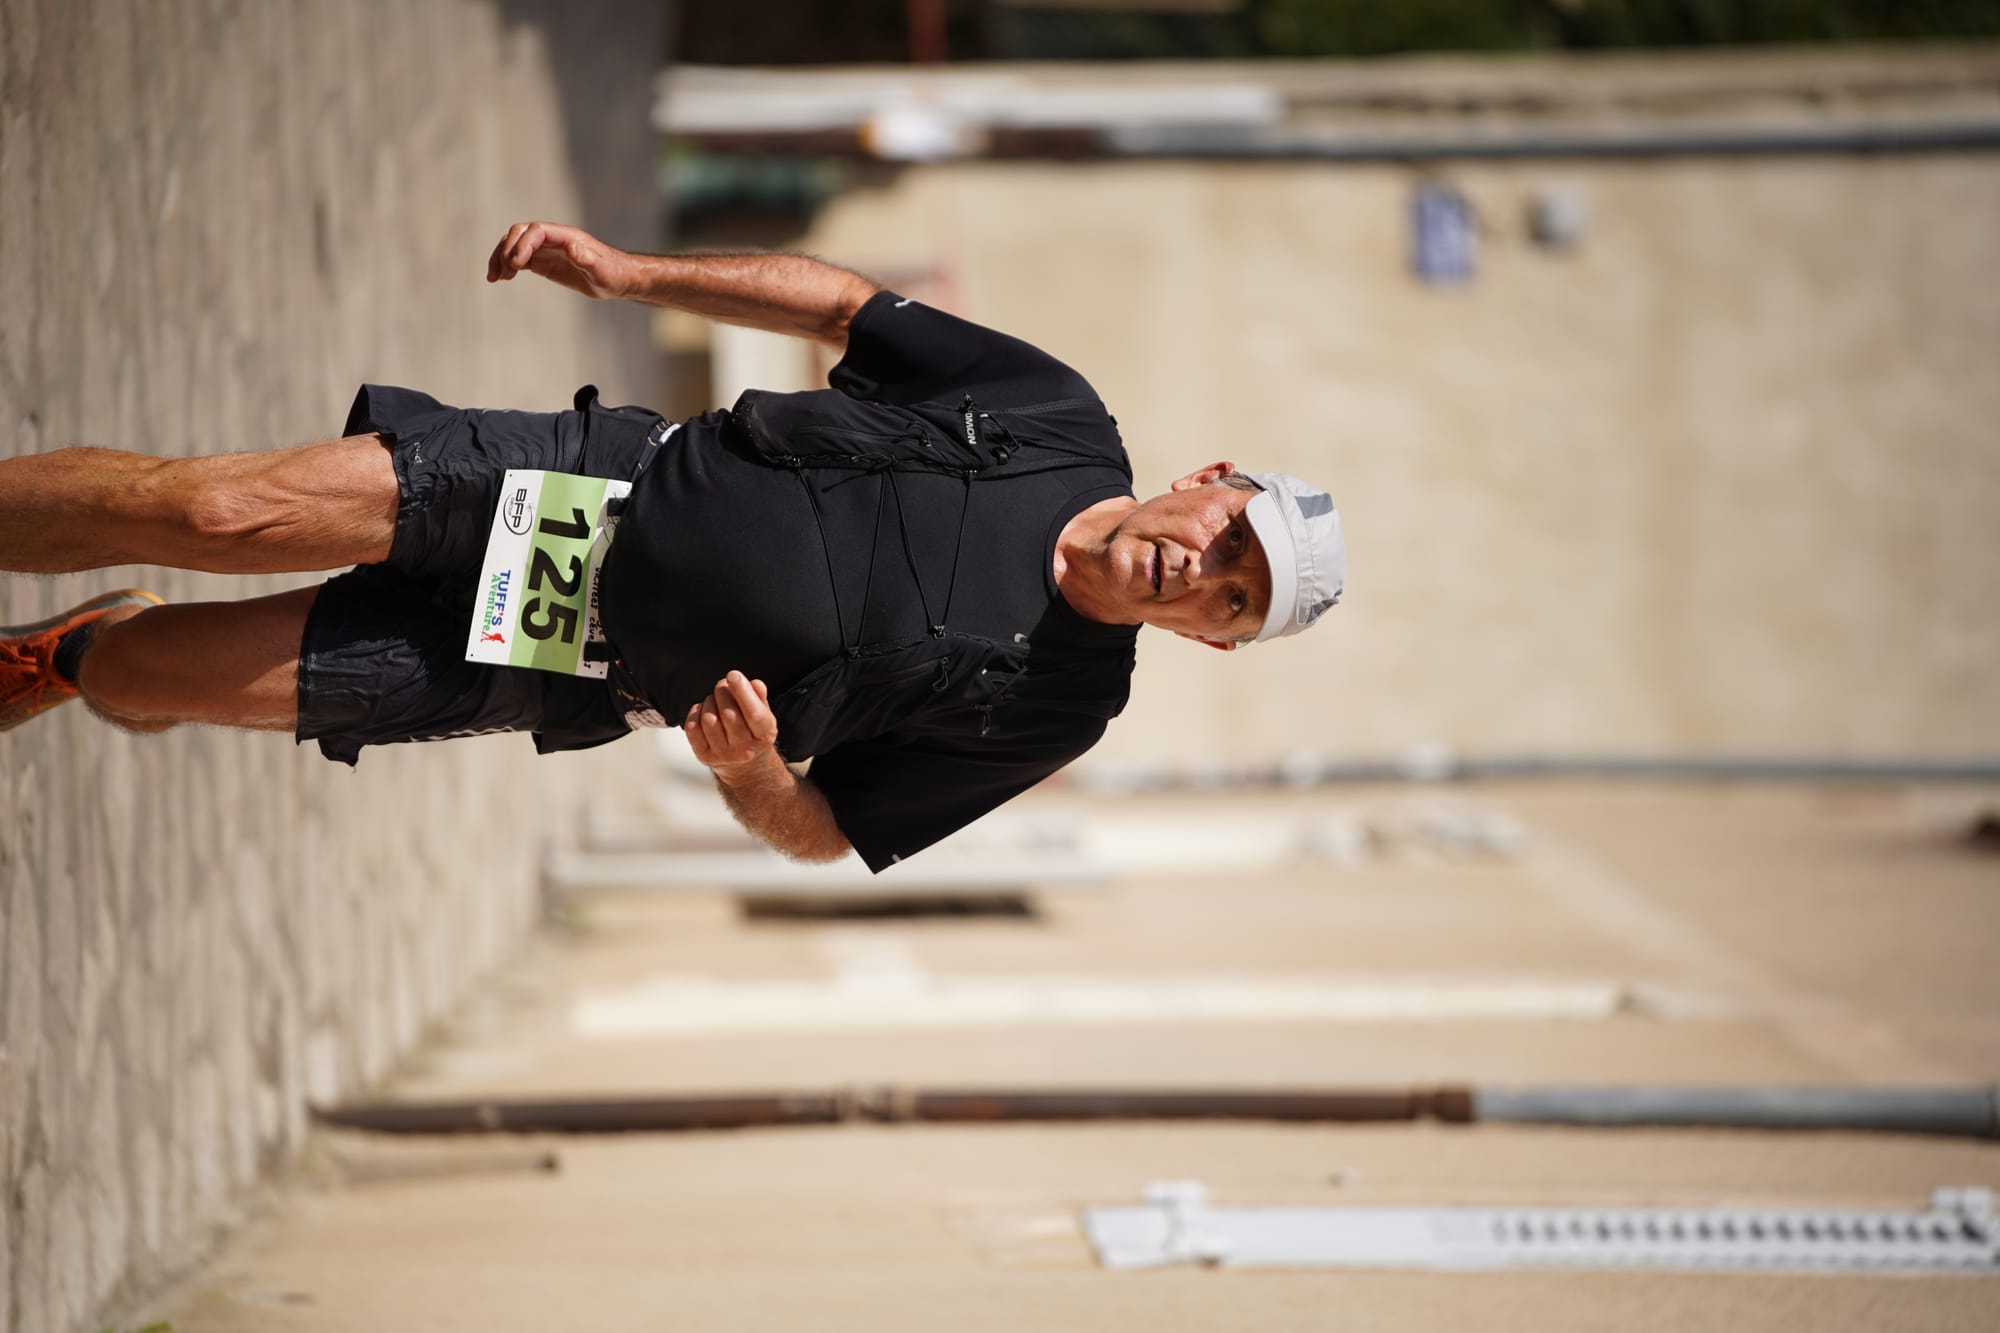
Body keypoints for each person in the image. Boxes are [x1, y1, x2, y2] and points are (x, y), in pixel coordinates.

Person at [0, 222, 1345, 870]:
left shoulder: (1063, 705)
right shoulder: (1055, 416)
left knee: (145, 675)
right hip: (577, 488)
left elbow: (827, 833)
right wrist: (634, 275)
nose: (1209, 575)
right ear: (1209, 478)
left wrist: (754, 773)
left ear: (1212, 641)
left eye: (1235, 603)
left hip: (561, 663)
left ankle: (77, 646)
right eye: (1236, 541)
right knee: (214, 510)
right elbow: (844, 305)